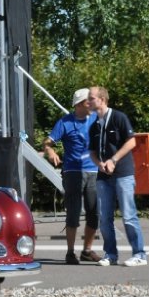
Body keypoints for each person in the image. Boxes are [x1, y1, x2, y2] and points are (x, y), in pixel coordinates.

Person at [87, 86, 147, 267]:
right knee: (105, 217)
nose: (88, 102)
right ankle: (110, 254)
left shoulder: (119, 118)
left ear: (102, 99)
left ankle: (139, 254)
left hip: (123, 174)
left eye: (91, 98)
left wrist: (113, 159)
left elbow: (131, 141)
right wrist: (100, 164)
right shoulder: (94, 124)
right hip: (103, 176)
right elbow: (92, 151)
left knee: (128, 215)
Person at [43, 88, 101, 265]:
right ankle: (70, 252)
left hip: (93, 171)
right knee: (73, 213)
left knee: (94, 212)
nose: (91, 104)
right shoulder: (64, 122)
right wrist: (50, 151)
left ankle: (87, 250)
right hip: (72, 172)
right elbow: (47, 142)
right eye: (87, 101)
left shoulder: (96, 119)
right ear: (78, 105)